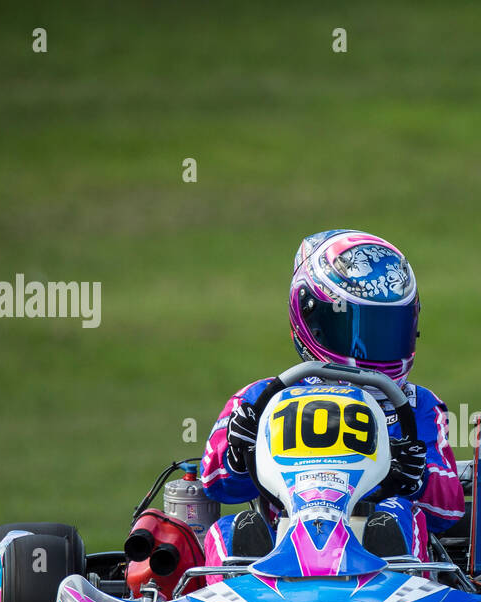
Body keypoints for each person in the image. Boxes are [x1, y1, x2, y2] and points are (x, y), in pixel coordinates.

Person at [199, 229, 464, 570]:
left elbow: (451, 508)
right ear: (313, 319)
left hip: (374, 564)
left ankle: (391, 592)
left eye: (388, 330)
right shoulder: (260, 400)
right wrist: (238, 452)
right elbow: (216, 485)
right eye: (355, 330)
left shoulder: (417, 405)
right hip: (280, 551)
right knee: (231, 532)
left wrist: (416, 480)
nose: (374, 346)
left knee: (399, 516)